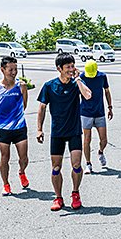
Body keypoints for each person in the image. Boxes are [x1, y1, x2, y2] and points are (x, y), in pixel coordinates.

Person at [36, 53, 92, 211]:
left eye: (72, 66)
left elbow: (87, 95)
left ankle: (75, 193)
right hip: (57, 133)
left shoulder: (76, 84)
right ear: (59, 69)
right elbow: (42, 108)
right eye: (67, 67)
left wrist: (79, 79)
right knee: (56, 167)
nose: (71, 69)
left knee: (76, 165)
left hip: (74, 131)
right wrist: (39, 129)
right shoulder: (49, 86)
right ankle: (58, 197)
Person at [0, 56, 29, 195]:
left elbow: (24, 105)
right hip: (4, 129)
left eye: (15, 69)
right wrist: (1, 121)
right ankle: (6, 184)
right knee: (5, 157)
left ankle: (22, 172)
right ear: (2, 70)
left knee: (24, 157)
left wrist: (16, 119)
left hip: (20, 127)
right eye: (10, 69)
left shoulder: (21, 86)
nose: (13, 72)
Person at [79, 60, 112, 174]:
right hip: (85, 112)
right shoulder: (81, 77)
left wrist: (110, 107)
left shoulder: (102, 76)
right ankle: (88, 164)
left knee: (104, 139)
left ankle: (100, 151)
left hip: (99, 112)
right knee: (87, 139)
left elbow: (107, 91)